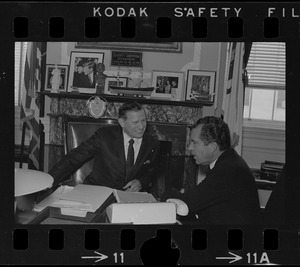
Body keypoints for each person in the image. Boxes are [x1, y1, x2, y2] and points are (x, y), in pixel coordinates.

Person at [162, 116, 261, 224]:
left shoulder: (228, 170)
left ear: (213, 146)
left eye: (195, 143)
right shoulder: (229, 160)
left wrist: (165, 194)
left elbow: (188, 202)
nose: (190, 147)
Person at [48, 101, 161, 192]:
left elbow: (151, 172)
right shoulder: (104, 136)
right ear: (122, 122)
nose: (141, 126)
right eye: (135, 122)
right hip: (98, 192)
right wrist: (48, 181)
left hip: (128, 198)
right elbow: (74, 158)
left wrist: (140, 182)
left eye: (143, 120)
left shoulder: (152, 143)